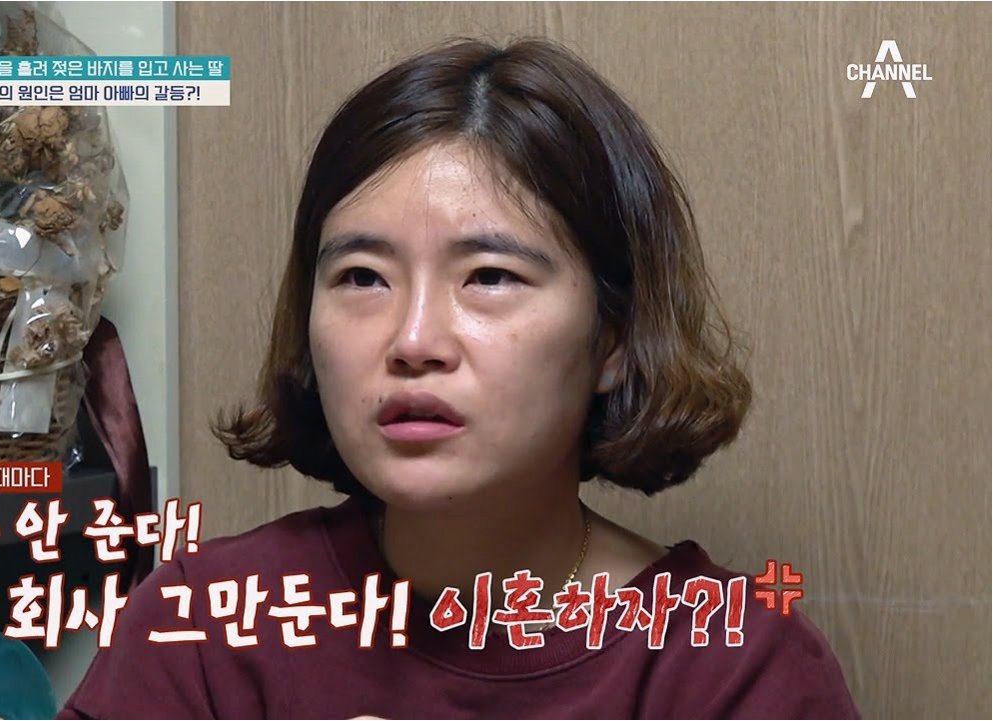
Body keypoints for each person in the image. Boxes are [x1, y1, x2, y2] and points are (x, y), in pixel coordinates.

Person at [60, 37, 860, 719]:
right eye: (363, 277)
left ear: (613, 338)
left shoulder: (732, 666)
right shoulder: (201, 624)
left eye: (489, 277)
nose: (413, 341)